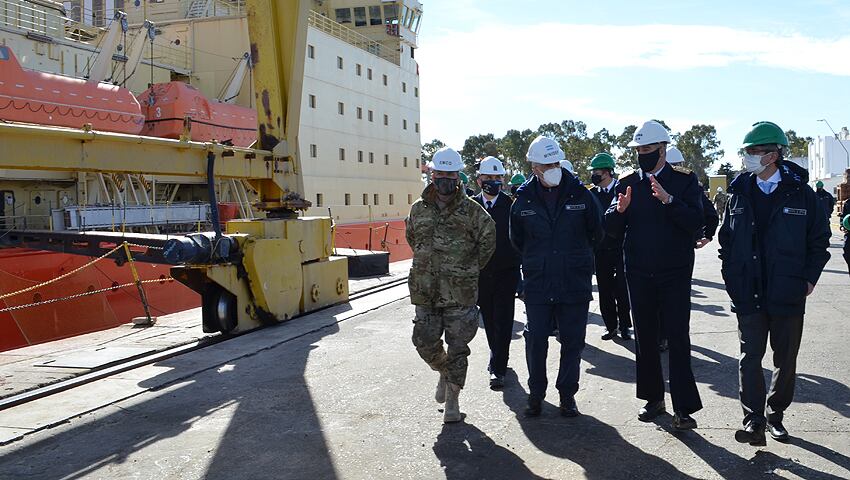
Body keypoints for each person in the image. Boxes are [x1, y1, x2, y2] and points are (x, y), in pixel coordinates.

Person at [718, 121, 831, 446]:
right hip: (748, 293)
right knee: (749, 358)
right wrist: (732, 278)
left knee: (785, 360)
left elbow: (819, 240)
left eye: (753, 151)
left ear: (773, 155)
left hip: (788, 293)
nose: (748, 157)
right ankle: (753, 421)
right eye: (747, 152)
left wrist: (809, 279)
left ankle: (775, 415)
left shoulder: (802, 194)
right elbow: (726, 241)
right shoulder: (738, 194)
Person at [604, 120, 704, 431]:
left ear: (662, 149)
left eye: (648, 149)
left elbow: (696, 220)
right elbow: (609, 228)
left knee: (677, 338)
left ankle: (684, 409)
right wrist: (618, 212)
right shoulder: (626, 183)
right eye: (638, 150)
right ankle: (653, 399)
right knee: (645, 339)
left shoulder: (685, 181)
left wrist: (669, 201)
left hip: (674, 273)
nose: (642, 154)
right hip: (638, 273)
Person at [510, 136, 604, 417]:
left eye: (555, 162)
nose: (552, 168)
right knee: (535, 340)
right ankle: (536, 394)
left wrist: (576, 259)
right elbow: (517, 241)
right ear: (534, 167)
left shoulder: (581, 195)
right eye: (546, 164)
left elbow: (596, 233)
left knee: (573, 341)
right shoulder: (523, 199)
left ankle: (567, 395)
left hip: (573, 282)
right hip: (538, 283)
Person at [406, 147, 496, 423]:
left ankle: (453, 401)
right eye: (440, 173)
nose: (445, 178)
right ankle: (444, 372)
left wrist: (467, 269)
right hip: (426, 290)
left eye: (450, 174)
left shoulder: (472, 211)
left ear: (459, 176)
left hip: (460, 292)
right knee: (423, 341)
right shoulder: (418, 209)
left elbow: (488, 240)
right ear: (432, 174)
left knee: (458, 347)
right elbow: (413, 239)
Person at [472, 156, 521, 390]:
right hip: (482, 275)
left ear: (503, 179)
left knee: (503, 320)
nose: (492, 181)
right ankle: (497, 355)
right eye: (488, 177)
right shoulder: (471, 206)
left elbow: (520, 241)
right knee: (490, 321)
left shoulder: (511, 206)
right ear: (479, 179)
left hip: (506, 273)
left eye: (497, 177)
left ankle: (499, 367)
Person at [588, 152, 631, 341]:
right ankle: (610, 326)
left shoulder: (622, 190)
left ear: (607, 172)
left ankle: (624, 326)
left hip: (620, 248)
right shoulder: (591, 194)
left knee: (621, 289)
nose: (593, 175)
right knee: (604, 290)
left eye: (596, 171)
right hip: (600, 249)